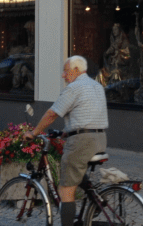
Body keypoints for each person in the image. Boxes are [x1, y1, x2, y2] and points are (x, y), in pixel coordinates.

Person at [25, 55, 108, 226]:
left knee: (66, 190)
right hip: (100, 138)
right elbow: (87, 115)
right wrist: (65, 132)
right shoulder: (97, 86)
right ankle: (96, 200)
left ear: (76, 70)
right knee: (76, 168)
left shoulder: (74, 87)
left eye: (66, 71)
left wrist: (34, 133)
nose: (63, 75)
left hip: (82, 141)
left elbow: (52, 114)